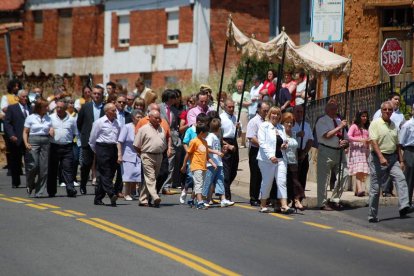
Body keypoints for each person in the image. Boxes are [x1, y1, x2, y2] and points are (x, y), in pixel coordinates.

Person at [368, 101, 413, 222]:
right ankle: (372, 215)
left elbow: (397, 144)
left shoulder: (393, 125)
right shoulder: (375, 124)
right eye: (385, 110)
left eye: (390, 110)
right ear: (381, 111)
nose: (387, 112)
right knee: (376, 188)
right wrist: (381, 157)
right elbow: (374, 142)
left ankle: (404, 205)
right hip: (378, 158)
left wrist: (401, 160)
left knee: (401, 179)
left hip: (393, 158)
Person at [257, 106, 294, 214]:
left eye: (278, 114)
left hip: (281, 158)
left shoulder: (281, 128)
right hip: (266, 160)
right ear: (269, 114)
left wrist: (284, 145)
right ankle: (263, 204)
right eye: (273, 113)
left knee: (282, 181)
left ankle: (284, 205)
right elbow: (262, 143)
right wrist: (270, 156)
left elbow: (284, 140)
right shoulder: (264, 126)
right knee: (267, 182)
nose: (275, 116)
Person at [315, 101, 349, 211]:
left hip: (339, 151)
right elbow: (327, 135)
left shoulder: (339, 121)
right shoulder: (322, 121)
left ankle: (335, 199)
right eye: (332, 109)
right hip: (326, 151)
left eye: (336, 108)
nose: (335, 111)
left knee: (344, 174)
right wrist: (340, 127)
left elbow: (346, 137)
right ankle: (322, 202)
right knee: (323, 179)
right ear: (327, 110)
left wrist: (345, 142)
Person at [372, 92, 405, 197]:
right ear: (390, 99)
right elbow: (375, 131)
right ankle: (385, 190)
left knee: (398, 175)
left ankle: (392, 193)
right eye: (395, 99)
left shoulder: (400, 115)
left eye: (398, 99)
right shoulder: (379, 113)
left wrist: (401, 158)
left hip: (394, 144)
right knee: (382, 175)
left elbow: (402, 128)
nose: (397, 101)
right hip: (381, 149)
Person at [134, 110, 167, 208]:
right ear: (150, 118)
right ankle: (155, 196)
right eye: (156, 118)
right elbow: (136, 145)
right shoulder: (143, 129)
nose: (158, 120)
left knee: (150, 179)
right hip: (147, 155)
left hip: (159, 155)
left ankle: (143, 199)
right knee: (151, 177)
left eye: (159, 118)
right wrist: (142, 154)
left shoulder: (161, 129)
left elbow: (164, 142)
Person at [89, 103, 120, 207]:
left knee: (110, 173)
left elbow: (118, 138)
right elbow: (92, 139)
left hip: (113, 148)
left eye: (116, 110)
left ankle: (98, 198)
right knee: (105, 171)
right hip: (102, 147)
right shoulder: (99, 122)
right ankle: (111, 193)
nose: (115, 112)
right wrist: (97, 151)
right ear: (107, 112)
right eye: (113, 110)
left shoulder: (117, 123)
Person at [77, 85, 105, 195]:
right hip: (87, 140)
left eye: (99, 93)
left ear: (102, 95)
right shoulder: (85, 107)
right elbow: (79, 123)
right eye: (95, 93)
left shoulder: (106, 108)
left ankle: (99, 187)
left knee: (100, 165)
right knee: (86, 164)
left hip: (101, 140)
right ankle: (83, 184)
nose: (97, 95)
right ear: (91, 94)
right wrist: (84, 134)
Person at [181, 123, 216, 210]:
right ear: (201, 132)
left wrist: (212, 163)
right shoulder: (194, 141)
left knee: (198, 184)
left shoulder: (205, 142)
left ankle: (191, 199)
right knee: (199, 184)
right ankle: (200, 203)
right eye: (206, 133)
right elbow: (188, 154)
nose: (207, 134)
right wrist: (184, 165)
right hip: (196, 166)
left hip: (203, 166)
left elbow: (207, 155)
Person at [47, 99, 78, 197]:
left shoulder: (72, 120)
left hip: (67, 147)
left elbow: (74, 133)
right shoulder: (50, 118)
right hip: (54, 147)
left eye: (61, 108)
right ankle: (51, 191)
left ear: (66, 108)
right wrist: (49, 130)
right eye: (57, 107)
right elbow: (45, 129)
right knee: (52, 169)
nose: (59, 109)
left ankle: (70, 189)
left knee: (68, 169)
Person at [202, 118, 235, 207]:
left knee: (220, 181)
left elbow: (217, 151)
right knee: (208, 182)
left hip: (218, 163)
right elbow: (207, 149)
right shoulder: (210, 137)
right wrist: (216, 152)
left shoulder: (216, 137)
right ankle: (204, 200)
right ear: (218, 128)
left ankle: (223, 199)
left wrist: (222, 152)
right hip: (211, 164)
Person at [23, 99, 51, 197]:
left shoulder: (49, 118)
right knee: (33, 165)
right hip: (33, 140)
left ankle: (39, 191)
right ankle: (30, 184)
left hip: (45, 142)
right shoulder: (31, 118)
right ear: (39, 108)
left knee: (44, 168)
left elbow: (51, 128)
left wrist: (51, 131)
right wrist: (26, 143)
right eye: (45, 106)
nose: (48, 108)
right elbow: (25, 132)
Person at [4, 89, 30, 188]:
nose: (25, 98)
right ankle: (15, 182)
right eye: (23, 96)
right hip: (16, 139)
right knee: (15, 161)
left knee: (29, 161)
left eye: (26, 96)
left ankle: (30, 181)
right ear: (18, 97)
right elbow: (7, 123)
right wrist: (11, 135)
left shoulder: (31, 108)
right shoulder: (12, 108)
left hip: (28, 139)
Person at [246, 101, 270, 206]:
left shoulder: (267, 121)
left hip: (265, 151)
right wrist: (263, 144)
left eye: (267, 110)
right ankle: (253, 197)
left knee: (263, 174)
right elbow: (251, 137)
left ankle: (262, 197)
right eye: (264, 110)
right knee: (255, 174)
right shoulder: (254, 121)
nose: (266, 112)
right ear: (259, 109)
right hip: (256, 150)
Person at [117, 109, 144, 201]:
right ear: (133, 118)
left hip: (139, 155)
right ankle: (126, 193)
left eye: (141, 117)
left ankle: (134, 193)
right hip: (127, 154)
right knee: (128, 176)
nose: (140, 119)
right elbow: (120, 141)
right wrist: (119, 155)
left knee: (136, 175)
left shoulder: (143, 128)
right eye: (138, 117)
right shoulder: (127, 127)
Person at [281, 112, 305, 211]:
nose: (289, 125)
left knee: (295, 181)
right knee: (286, 182)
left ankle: (296, 199)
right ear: (283, 123)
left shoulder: (294, 134)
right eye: (287, 122)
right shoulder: (281, 133)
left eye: (291, 123)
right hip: (284, 161)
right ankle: (288, 201)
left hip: (293, 161)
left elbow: (295, 149)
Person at [159, 89, 181, 194]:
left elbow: (175, 126)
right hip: (160, 137)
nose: (175, 100)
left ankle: (166, 186)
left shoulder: (175, 110)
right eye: (173, 98)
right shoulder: (159, 108)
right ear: (168, 98)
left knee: (171, 163)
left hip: (172, 139)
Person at [347, 110, 371, 197]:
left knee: (362, 170)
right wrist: (360, 140)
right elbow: (348, 136)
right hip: (356, 150)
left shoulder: (366, 127)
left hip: (364, 150)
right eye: (363, 116)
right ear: (359, 117)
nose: (365, 118)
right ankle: (360, 189)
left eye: (366, 116)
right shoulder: (354, 126)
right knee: (359, 169)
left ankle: (357, 190)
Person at [220, 99, 239, 200]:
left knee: (234, 170)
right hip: (225, 142)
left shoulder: (235, 117)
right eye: (229, 107)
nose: (231, 109)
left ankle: (223, 189)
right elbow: (219, 136)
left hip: (234, 141)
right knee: (226, 171)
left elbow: (237, 134)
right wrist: (227, 145)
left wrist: (238, 128)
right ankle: (226, 196)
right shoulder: (221, 118)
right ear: (225, 107)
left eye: (233, 107)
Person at [292, 105, 313, 193]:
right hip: (292, 153)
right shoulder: (290, 123)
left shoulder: (306, 125)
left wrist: (304, 153)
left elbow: (310, 140)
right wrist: (296, 134)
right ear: (293, 112)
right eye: (298, 112)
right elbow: (285, 136)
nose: (300, 114)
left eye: (301, 112)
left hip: (303, 153)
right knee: (293, 177)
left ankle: (299, 197)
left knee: (302, 176)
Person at [399, 104, 414, 206]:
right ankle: (406, 203)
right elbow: (401, 143)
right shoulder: (407, 125)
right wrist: (402, 159)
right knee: (409, 178)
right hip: (410, 151)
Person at [232, 79, 251, 148]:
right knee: (236, 127)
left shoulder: (246, 93)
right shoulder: (234, 94)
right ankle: (236, 142)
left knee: (243, 127)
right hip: (235, 111)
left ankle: (243, 142)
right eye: (238, 86)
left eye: (240, 86)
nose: (239, 87)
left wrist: (241, 103)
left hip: (243, 111)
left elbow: (250, 102)